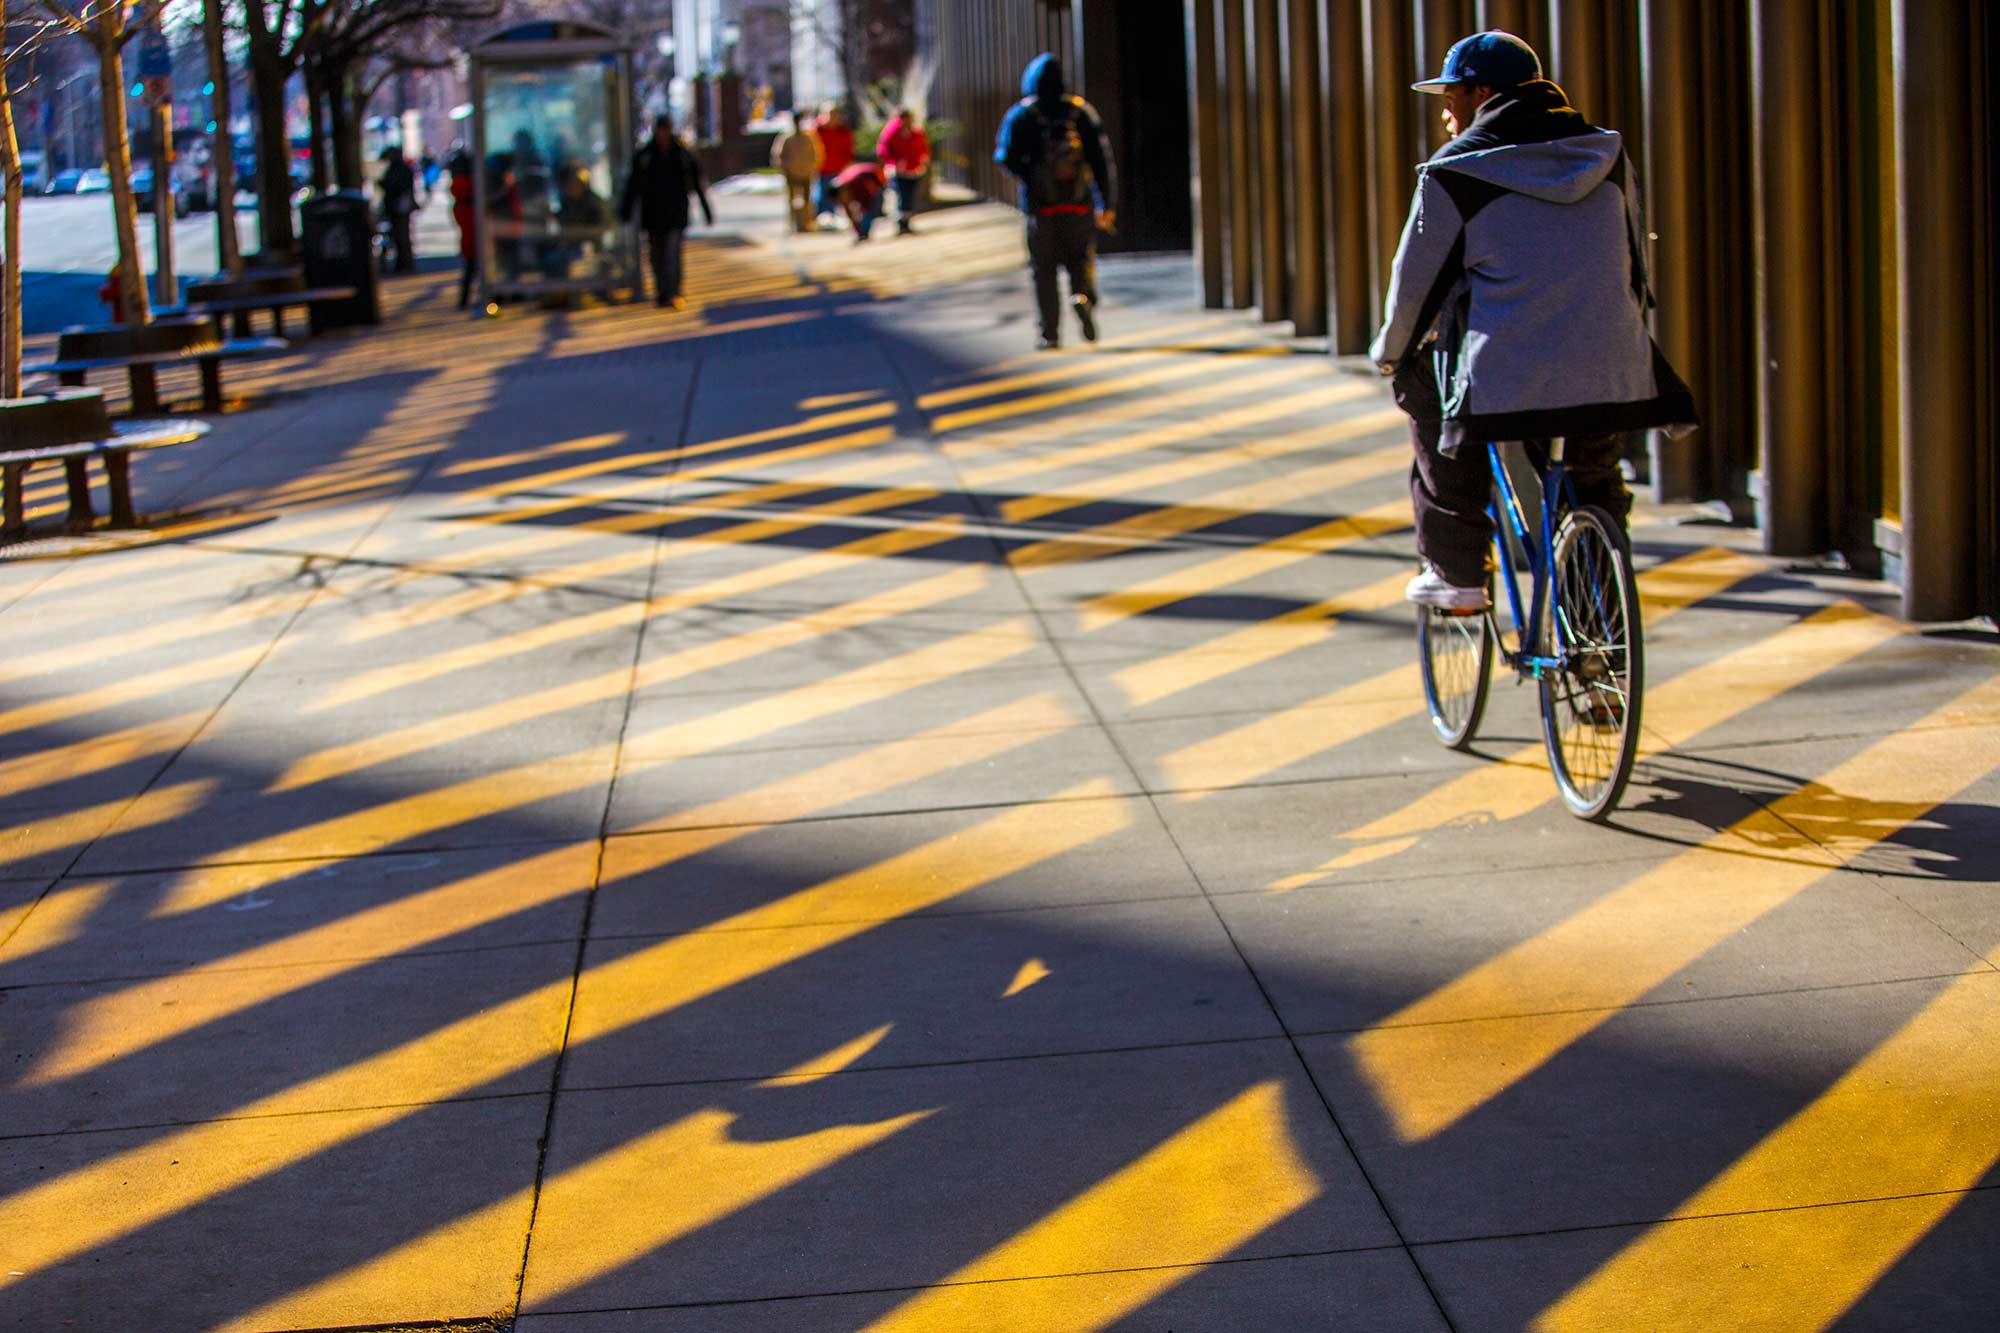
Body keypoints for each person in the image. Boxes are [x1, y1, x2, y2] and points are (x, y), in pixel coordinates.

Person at [1371, 30, 1696, 612]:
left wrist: (1391, 353)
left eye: (1452, 94)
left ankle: (1458, 574)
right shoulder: (1607, 154)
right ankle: (1597, 636)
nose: (1444, 108)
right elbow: (1637, 267)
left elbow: (1414, 287)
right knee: (1593, 483)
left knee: (1424, 389)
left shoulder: (1453, 172)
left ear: (1483, 93)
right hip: (1614, 365)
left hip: (1508, 378)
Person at [994, 54, 1116, 350]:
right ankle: (1082, 297)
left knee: (1043, 270)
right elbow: (1101, 160)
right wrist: (1106, 203)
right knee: (1080, 260)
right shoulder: (1080, 112)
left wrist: (1030, 173)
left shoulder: (1022, 115)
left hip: (1041, 208)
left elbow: (1004, 157)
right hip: (1078, 205)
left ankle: (1050, 333)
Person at [618, 114, 714, 309]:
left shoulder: (682, 154)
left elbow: (697, 183)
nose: (664, 134)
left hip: (675, 213)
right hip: (652, 215)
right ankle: (662, 292)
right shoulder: (645, 155)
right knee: (656, 255)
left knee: (673, 253)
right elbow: (633, 185)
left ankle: (674, 291)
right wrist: (626, 211)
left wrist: (706, 210)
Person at [876, 106, 930, 235]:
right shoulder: (891, 132)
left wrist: (923, 160)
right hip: (897, 171)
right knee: (901, 196)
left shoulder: (916, 132)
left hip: (913, 170)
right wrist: (894, 162)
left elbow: (923, 149)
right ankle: (901, 223)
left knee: (910, 197)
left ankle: (907, 223)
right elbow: (883, 151)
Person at [772, 110, 821, 233]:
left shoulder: (808, 137)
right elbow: (778, 155)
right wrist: (785, 167)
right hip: (791, 173)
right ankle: (793, 224)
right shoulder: (786, 138)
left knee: (806, 200)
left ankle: (806, 223)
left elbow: (815, 154)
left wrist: (812, 167)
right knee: (792, 199)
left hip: (806, 172)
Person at [378, 145, 418, 274]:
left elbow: (395, 186)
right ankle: (403, 262)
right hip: (396, 207)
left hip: (399, 207)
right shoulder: (398, 168)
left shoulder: (399, 169)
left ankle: (405, 263)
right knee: (399, 236)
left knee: (402, 236)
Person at [812, 103, 854, 221]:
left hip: (839, 168)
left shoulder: (843, 130)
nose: (834, 117)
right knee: (821, 194)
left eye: (836, 114)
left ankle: (835, 217)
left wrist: (848, 164)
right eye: (831, 114)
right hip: (822, 168)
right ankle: (822, 217)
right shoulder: (817, 130)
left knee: (839, 195)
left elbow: (848, 149)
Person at [448, 151, 478, 307]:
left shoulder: (460, 187)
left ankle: (464, 298)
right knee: (473, 265)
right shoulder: (467, 187)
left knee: (470, 266)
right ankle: (466, 298)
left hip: (469, 236)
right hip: (473, 235)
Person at [830, 161, 886, 242]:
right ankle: (862, 233)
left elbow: (868, 205)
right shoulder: (841, 186)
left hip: (876, 175)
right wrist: (856, 228)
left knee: (872, 209)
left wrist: (861, 228)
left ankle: (864, 232)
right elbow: (847, 209)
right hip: (865, 173)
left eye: (840, 199)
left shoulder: (858, 185)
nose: (841, 201)